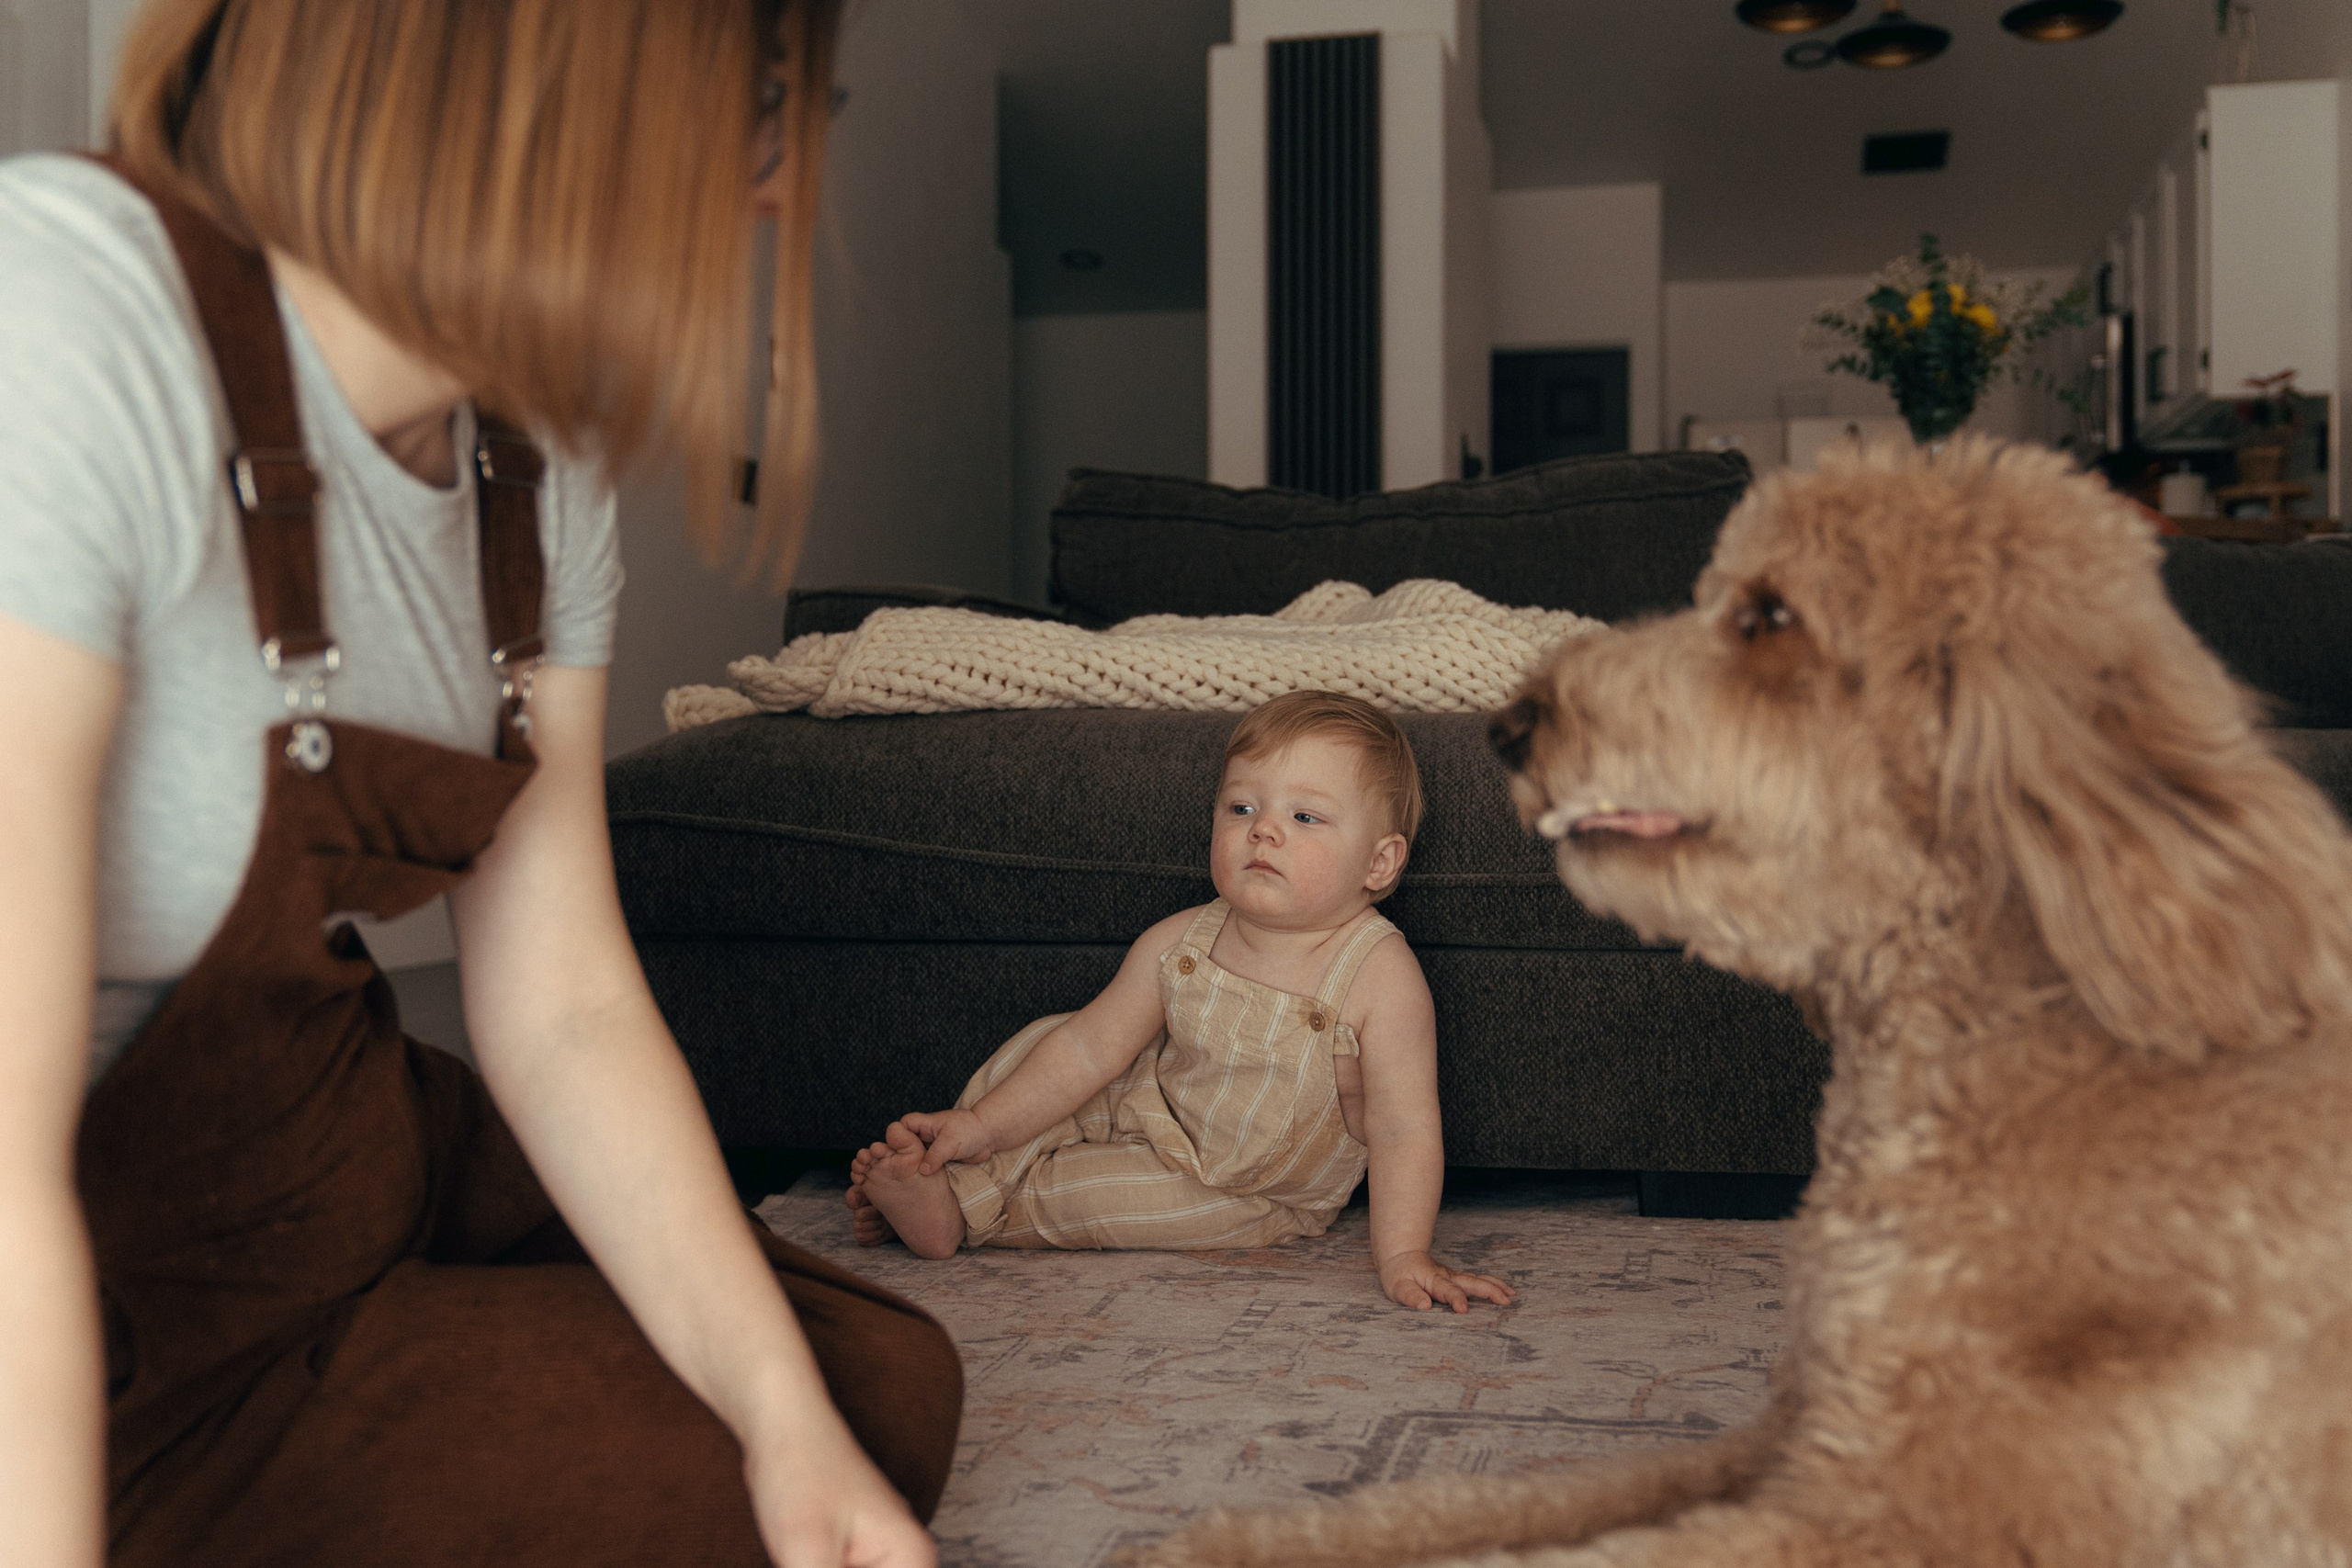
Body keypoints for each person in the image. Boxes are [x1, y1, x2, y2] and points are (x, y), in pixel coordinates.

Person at [0, 3, 962, 1565]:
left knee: (864, 1398)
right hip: (122, 1278)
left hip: (335, 1154)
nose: (779, 185)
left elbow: (565, 997)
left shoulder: (532, 453)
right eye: (766, 104)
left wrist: (785, 1422)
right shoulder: (68, 320)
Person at [846, 692, 1519, 1315]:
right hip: (1147, 1097)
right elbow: (1089, 1048)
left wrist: (1404, 1253)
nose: (1264, 832)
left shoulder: (1380, 974)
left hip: (1239, 1186)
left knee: (1099, 1202)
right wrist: (987, 1124)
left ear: (1379, 864)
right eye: (1242, 808)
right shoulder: (1182, 937)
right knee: (1050, 1041)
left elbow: (1405, 1129)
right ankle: (956, 1155)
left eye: (1304, 816)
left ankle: (951, 1211)